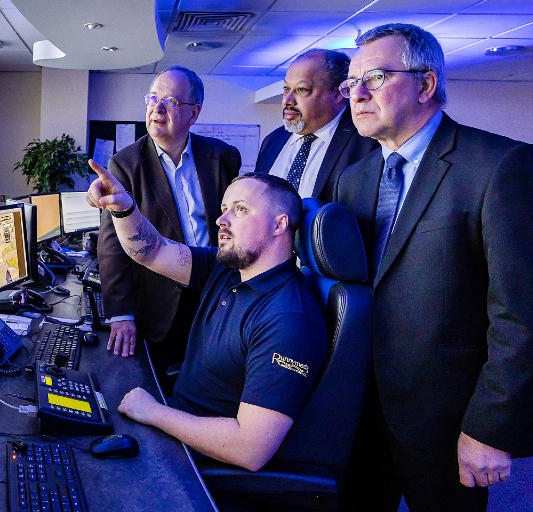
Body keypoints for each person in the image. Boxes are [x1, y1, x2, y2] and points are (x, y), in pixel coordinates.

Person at [334, 23, 533, 511]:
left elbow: (526, 317)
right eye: (349, 83)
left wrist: (491, 428)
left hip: (447, 420)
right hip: (357, 411)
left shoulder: (502, 167)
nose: (356, 94)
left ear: (426, 83)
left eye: (373, 78)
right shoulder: (355, 179)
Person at [86, 160, 327, 472]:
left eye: (240, 209)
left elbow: (250, 449)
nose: (220, 220)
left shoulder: (289, 319)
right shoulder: (227, 271)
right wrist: (123, 208)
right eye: (224, 208)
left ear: (279, 225)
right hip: (175, 430)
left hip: (198, 464)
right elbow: (152, 251)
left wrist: (153, 411)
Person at [97, 66, 241, 382]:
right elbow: (112, 242)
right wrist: (120, 314)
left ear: (194, 113)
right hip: (157, 296)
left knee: (213, 378)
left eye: (171, 101)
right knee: (158, 381)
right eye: (153, 98)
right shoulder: (125, 163)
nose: (157, 109)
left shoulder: (223, 157)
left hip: (214, 287)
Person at [254, 49, 378, 201]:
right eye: (286, 89)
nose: (288, 100)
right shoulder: (273, 140)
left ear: (339, 92)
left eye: (301, 90)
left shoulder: (368, 142)